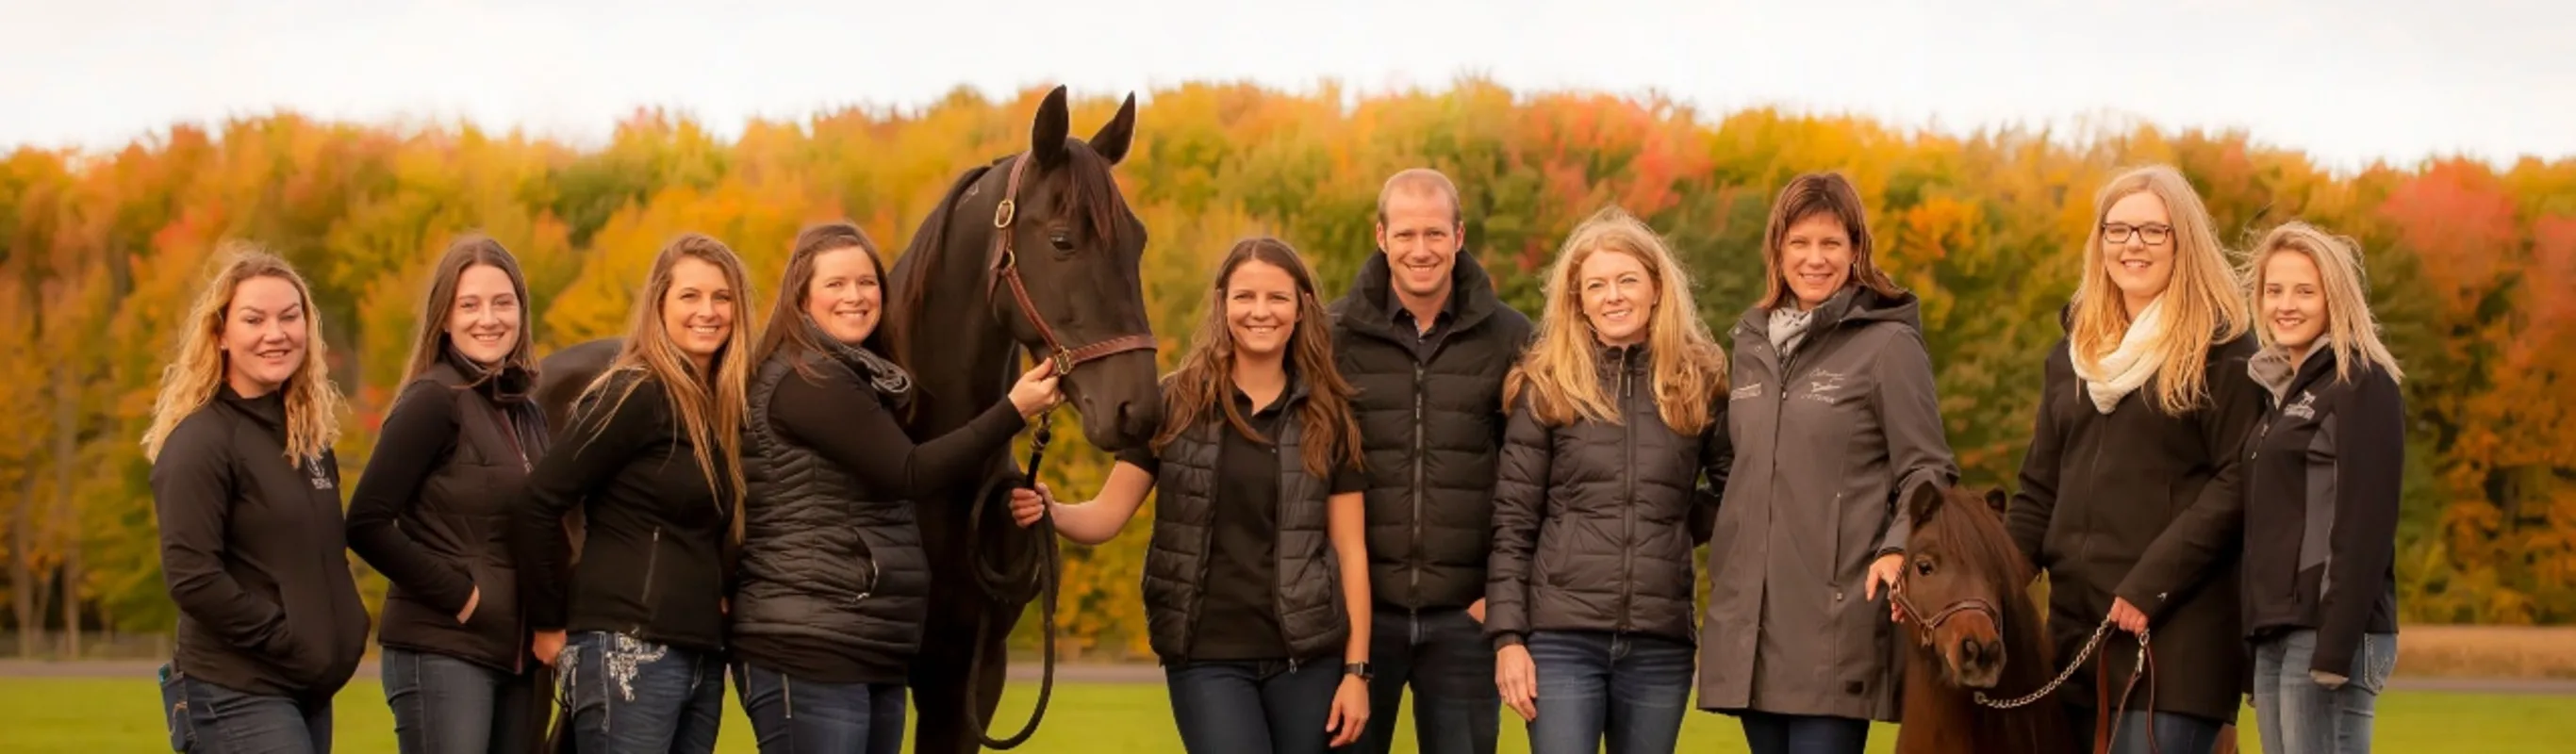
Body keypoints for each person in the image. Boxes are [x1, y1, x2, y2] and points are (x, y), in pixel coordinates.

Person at [1010, 238, 1374, 753]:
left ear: (1301, 309)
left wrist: (1357, 671)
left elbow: (1351, 551)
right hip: (1206, 657)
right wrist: (1052, 510)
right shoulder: (1173, 404)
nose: (1260, 311)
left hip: (1308, 659)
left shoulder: (1329, 416)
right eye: (1245, 297)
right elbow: (1106, 516)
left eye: (1277, 297)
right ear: (1223, 304)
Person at [728, 221, 1063, 753]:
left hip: (861, 646)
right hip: (810, 648)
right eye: (835, 284)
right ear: (802, 296)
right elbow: (908, 473)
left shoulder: (858, 378)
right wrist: (1012, 412)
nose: (856, 297)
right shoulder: (810, 381)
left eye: (867, 282)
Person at [1695, 172, 1959, 754]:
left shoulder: (1888, 346)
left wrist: (1897, 546)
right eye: (1800, 243)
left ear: (1856, 250)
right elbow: (1734, 473)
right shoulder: (1750, 344)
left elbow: (1928, 470)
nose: (1814, 259)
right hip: (1750, 631)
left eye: (1831, 243)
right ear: (1777, 250)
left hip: (1835, 627)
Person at [2006, 164, 2262, 754]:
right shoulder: (2072, 356)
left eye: (2152, 231)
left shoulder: (2221, 349)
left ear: (2184, 241)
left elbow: (2238, 482)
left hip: (2175, 638)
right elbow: (2038, 492)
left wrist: (2149, 587)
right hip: (2074, 638)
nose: (2132, 246)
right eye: (2117, 231)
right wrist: (1993, 585)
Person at [1485, 205, 1729, 754]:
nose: (1612, 296)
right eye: (1596, 285)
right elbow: (1512, 523)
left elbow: (1737, 485)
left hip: (1659, 645)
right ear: (1578, 300)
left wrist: (1667, 522)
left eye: (1626, 280)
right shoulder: (1546, 384)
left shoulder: (1699, 379)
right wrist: (1507, 640)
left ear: (1656, 288)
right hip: (1560, 641)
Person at [507, 233, 755, 754]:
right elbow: (537, 503)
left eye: (721, 296)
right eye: (690, 296)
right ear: (659, 305)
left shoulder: (720, 411)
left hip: (700, 658)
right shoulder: (634, 392)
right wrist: (549, 621)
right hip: (627, 649)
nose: (707, 311)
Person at [1328, 167, 1532, 754]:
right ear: (1381, 236)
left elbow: (1540, 475)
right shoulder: (1332, 335)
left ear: (1459, 237)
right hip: (1359, 620)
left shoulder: (1512, 336)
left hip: (1466, 620)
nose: (1422, 250)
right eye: (1408, 234)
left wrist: (1503, 597)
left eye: (1436, 234)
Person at [145, 242, 369, 753]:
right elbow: (193, 578)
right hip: (234, 690)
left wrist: (345, 627)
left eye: (290, 317)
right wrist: (288, 640)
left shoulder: (307, 441)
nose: (276, 333)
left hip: (305, 691)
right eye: (254, 319)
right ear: (221, 334)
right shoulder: (201, 442)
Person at [346, 235, 553, 754]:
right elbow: (366, 523)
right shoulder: (433, 401)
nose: (489, 318)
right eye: (470, 305)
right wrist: (462, 597)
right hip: (443, 650)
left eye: (503, 303)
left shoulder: (525, 410)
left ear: (521, 313)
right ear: (444, 318)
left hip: (521, 658)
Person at [2238, 221, 2406, 754]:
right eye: (2274, 290)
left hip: (2329, 630)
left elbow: (2366, 523)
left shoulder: (2362, 383)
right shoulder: (2277, 396)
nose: (2286, 304)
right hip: (2276, 631)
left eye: (2304, 291)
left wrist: (2334, 647)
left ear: (2334, 298)